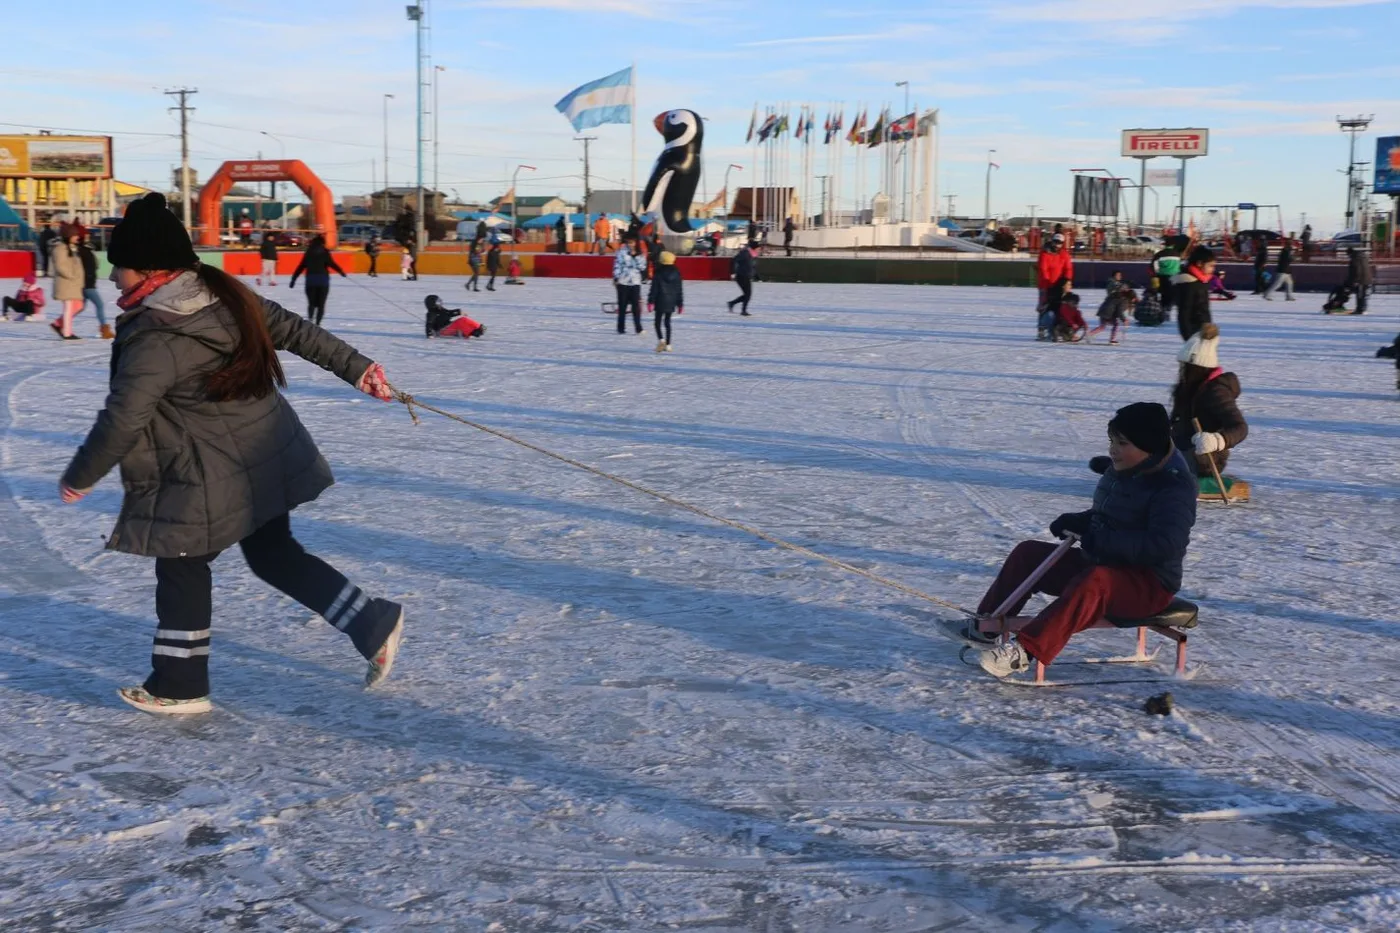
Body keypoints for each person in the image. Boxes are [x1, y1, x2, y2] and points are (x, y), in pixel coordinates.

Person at [57, 192, 404, 715]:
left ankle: (179, 684)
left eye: (119, 268)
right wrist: (357, 367)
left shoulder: (156, 335)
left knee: (181, 560)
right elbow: (296, 329)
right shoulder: (220, 292)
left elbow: (124, 416)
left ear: (149, 270)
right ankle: (370, 621)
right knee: (272, 554)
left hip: (207, 469)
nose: (113, 279)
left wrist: (82, 475)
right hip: (262, 453)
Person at [967, 402, 1197, 678]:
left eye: (1122, 443)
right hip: (1104, 563)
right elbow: (1110, 516)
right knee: (1028, 554)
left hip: (1148, 585)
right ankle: (984, 626)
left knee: (1095, 582)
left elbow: (1163, 544)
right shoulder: (1126, 470)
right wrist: (1081, 521)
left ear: (1148, 446)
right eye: (1112, 440)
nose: (1113, 449)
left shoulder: (1173, 488)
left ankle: (1025, 651)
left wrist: (1102, 541)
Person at [1169, 323, 1248, 487]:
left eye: (1186, 367)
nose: (1182, 370)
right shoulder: (1187, 388)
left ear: (1197, 368)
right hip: (1181, 447)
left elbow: (1240, 427)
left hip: (1205, 459)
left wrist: (1216, 440)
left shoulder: (1216, 391)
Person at [288, 235, 348, 327]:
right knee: (321, 304)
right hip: (323, 281)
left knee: (311, 303)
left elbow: (301, 266)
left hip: (310, 281)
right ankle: (318, 323)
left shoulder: (309, 252)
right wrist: (341, 272)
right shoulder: (324, 252)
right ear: (322, 243)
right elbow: (331, 264)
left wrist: (293, 279)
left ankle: (311, 321)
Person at [49, 223, 86, 340]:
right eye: (75, 235)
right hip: (66, 283)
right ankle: (67, 333)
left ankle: (58, 324)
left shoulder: (71, 248)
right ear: (68, 236)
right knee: (69, 308)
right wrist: (72, 275)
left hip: (73, 283)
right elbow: (61, 266)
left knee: (79, 305)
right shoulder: (60, 249)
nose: (77, 237)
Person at [1036, 233, 1072, 339]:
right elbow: (1043, 270)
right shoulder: (1045, 253)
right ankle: (1041, 330)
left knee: (1059, 308)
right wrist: (1048, 284)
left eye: (1060, 243)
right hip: (1046, 285)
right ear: (1052, 241)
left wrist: (1067, 281)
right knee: (1044, 307)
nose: (1057, 245)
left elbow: (1068, 268)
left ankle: (1057, 329)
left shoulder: (1064, 254)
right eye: (1056, 242)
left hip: (1059, 286)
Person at [78, 231, 113, 339]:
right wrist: (88, 276)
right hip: (87, 284)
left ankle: (61, 323)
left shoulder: (87, 249)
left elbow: (94, 264)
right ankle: (104, 330)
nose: (89, 237)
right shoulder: (82, 251)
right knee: (99, 305)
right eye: (86, 235)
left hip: (88, 282)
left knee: (79, 307)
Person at [1175, 245, 1214, 341]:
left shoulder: (1202, 281)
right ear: (1200, 264)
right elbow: (1184, 313)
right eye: (1210, 266)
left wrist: (1208, 325)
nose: (1212, 269)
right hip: (1193, 330)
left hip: (1203, 328)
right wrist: (1188, 337)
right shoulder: (1189, 284)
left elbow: (1204, 307)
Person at [648, 250, 683, 352]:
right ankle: (668, 344)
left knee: (657, 322)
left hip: (660, 300)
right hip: (671, 301)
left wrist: (651, 301)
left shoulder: (658, 272)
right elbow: (679, 289)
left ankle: (661, 340)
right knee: (667, 322)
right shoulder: (677, 273)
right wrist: (680, 303)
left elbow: (654, 288)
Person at [612, 233, 646, 334]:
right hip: (623, 282)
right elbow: (617, 265)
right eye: (629, 242)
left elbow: (642, 267)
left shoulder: (640, 254)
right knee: (622, 306)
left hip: (635, 282)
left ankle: (638, 328)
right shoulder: (621, 253)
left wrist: (636, 257)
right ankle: (621, 327)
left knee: (636, 306)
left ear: (636, 243)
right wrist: (616, 277)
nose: (630, 245)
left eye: (632, 242)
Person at [1089, 272, 1133, 345]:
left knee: (1102, 327)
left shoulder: (1118, 291)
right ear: (1113, 276)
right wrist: (1124, 319)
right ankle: (1112, 339)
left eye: (1120, 275)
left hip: (1106, 309)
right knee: (1113, 324)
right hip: (1108, 310)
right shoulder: (1112, 283)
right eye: (1118, 275)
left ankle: (1089, 334)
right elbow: (1119, 311)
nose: (1120, 276)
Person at [1149, 235, 1186, 320]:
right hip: (1175, 277)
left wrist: (1157, 273)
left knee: (1164, 294)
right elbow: (1181, 266)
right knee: (1172, 294)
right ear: (1173, 245)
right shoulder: (1178, 255)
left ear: (1165, 245)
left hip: (1163, 277)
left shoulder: (1159, 254)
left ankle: (1163, 309)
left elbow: (1154, 266)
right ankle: (1168, 309)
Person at [727, 240, 757, 316]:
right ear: (754, 247)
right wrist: (732, 272)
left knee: (747, 294)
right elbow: (733, 260)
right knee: (748, 294)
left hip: (747, 275)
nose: (759, 249)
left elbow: (752, 266)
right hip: (741, 276)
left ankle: (732, 303)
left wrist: (756, 276)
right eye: (758, 247)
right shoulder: (745, 253)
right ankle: (743, 311)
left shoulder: (752, 254)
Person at [1345, 246, 1372, 314]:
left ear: (1349, 253)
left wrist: (1356, 280)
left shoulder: (1355, 258)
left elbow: (1357, 270)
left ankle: (1359, 309)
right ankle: (1363, 308)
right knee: (1363, 295)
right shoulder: (1363, 257)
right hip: (1367, 279)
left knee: (1359, 295)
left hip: (1361, 280)